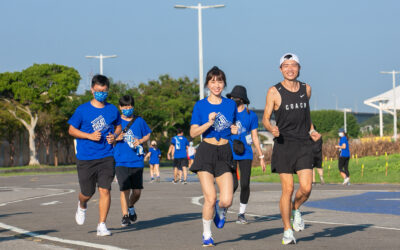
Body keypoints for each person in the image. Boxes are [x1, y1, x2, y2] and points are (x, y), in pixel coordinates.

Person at [262, 53, 321, 245]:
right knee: (287, 189)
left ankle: (296, 209)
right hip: (284, 146)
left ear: (299, 68)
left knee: (306, 187)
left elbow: (306, 115)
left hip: (304, 144)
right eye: (286, 65)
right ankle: (287, 230)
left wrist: (312, 130)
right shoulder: (274, 91)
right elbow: (265, 117)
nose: (290, 69)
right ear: (280, 69)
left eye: (294, 65)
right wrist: (271, 128)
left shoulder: (307, 89)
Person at [189, 66, 238, 246]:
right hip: (206, 152)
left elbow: (232, 128)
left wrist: (235, 130)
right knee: (210, 198)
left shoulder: (230, 104)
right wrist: (208, 122)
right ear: (207, 84)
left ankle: (221, 210)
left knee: (226, 200)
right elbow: (193, 133)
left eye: (220, 81)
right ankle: (207, 234)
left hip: (225, 152)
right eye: (213, 81)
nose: (216, 85)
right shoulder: (200, 105)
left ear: (224, 83)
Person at [68, 74, 122, 236]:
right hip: (86, 158)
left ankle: (102, 224)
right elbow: (71, 130)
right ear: (92, 90)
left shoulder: (112, 109)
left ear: (108, 90)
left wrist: (114, 136)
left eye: (104, 91)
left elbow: (118, 126)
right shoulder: (82, 110)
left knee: (105, 190)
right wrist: (89, 136)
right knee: (87, 192)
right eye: (98, 91)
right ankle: (82, 204)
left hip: (106, 156)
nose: (101, 93)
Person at [227, 85, 266, 224]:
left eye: (235, 98)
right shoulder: (228, 112)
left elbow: (255, 137)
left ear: (242, 99)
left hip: (246, 152)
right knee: (233, 185)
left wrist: (261, 157)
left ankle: (241, 214)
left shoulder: (251, 115)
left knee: (245, 184)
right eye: (231, 97)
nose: (232, 99)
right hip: (230, 152)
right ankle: (224, 208)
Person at [113, 95, 151, 227]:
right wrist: (116, 138)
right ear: (120, 107)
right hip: (121, 161)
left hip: (137, 160)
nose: (127, 109)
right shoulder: (115, 122)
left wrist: (140, 141)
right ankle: (125, 216)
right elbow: (109, 139)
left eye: (130, 106)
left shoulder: (139, 121)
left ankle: (130, 206)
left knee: (137, 192)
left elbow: (148, 134)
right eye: (125, 107)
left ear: (133, 107)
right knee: (124, 189)